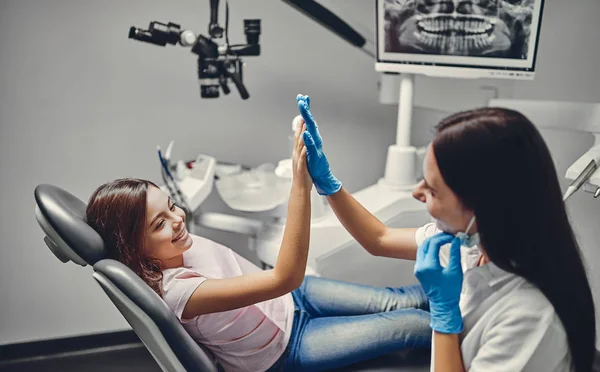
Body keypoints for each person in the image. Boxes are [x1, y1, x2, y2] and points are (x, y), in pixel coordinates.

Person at [84, 112, 432, 372]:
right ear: (132, 246)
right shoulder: (179, 291)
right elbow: (284, 276)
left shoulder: (177, 244)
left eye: (172, 206)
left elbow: (288, 287)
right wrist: (301, 183)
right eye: (160, 223)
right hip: (286, 348)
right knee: (414, 326)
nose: (177, 220)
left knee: (401, 299)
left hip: (293, 298)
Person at [296, 94, 597, 372]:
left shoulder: (529, 319)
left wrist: (444, 315)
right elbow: (379, 239)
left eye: (432, 189)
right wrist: (328, 184)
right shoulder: (473, 243)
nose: (417, 192)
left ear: (481, 207)